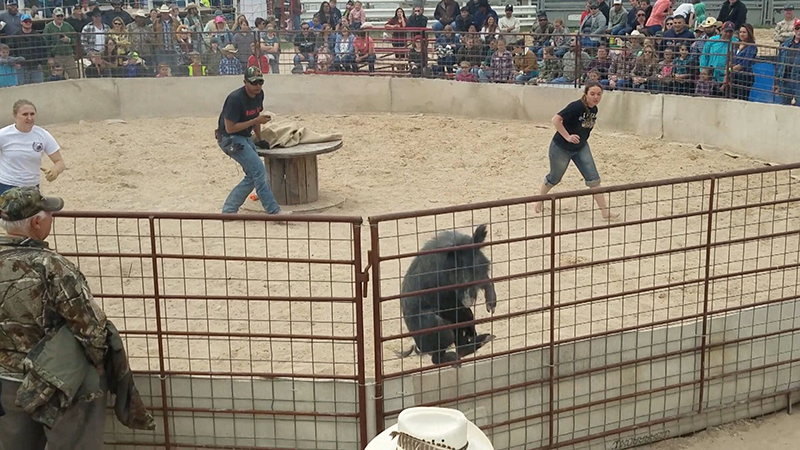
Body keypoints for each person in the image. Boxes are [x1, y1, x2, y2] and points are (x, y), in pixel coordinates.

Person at [0, 186, 155, 449]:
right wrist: (98, 365)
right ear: (36, 223)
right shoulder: (53, 267)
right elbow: (90, 328)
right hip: (57, 380)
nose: (51, 218)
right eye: (48, 214)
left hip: (5, 381)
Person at [533, 82, 618, 220]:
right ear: (586, 94)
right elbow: (555, 120)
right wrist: (567, 136)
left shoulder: (594, 109)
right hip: (561, 147)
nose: (596, 97)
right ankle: (539, 201)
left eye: (599, 94)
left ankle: (605, 212)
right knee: (554, 177)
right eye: (592, 94)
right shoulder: (576, 106)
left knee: (593, 178)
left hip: (581, 147)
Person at [216, 67, 289, 216]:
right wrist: (255, 121)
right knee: (259, 171)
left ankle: (229, 210)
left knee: (252, 175)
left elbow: (256, 117)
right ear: (245, 82)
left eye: (260, 82)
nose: (258, 86)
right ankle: (273, 211)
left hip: (244, 136)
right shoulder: (235, 99)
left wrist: (259, 139)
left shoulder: (259, 95)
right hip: (229, 139)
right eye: (254, 83)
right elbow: (230, 128)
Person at [0, 100, 64, 196]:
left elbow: (59, 161)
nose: (29, 118)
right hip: (7, 186)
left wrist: (55, 170)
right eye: (25, 114)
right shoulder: (3, 135)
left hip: (32, 187)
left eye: (32, 114)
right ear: (15, 115)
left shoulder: (43, 135)